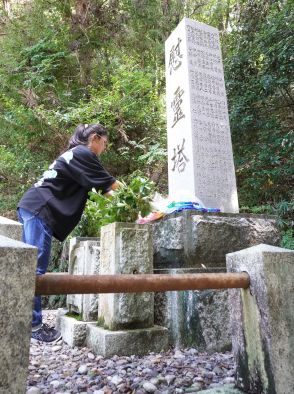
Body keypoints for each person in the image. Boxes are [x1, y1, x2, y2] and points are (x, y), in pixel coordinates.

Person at [17, 123, 120, 342]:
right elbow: (112, 186)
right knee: (35, 270)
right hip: (39, 208)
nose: (104, 147)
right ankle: (34, 327)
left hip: (32, 205)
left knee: (30, 269)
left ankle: (26, 323)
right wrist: (144, 203)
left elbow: (104, 189)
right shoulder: (84, 153)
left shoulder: (74, 154)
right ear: (94, 138)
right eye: (104, 142)